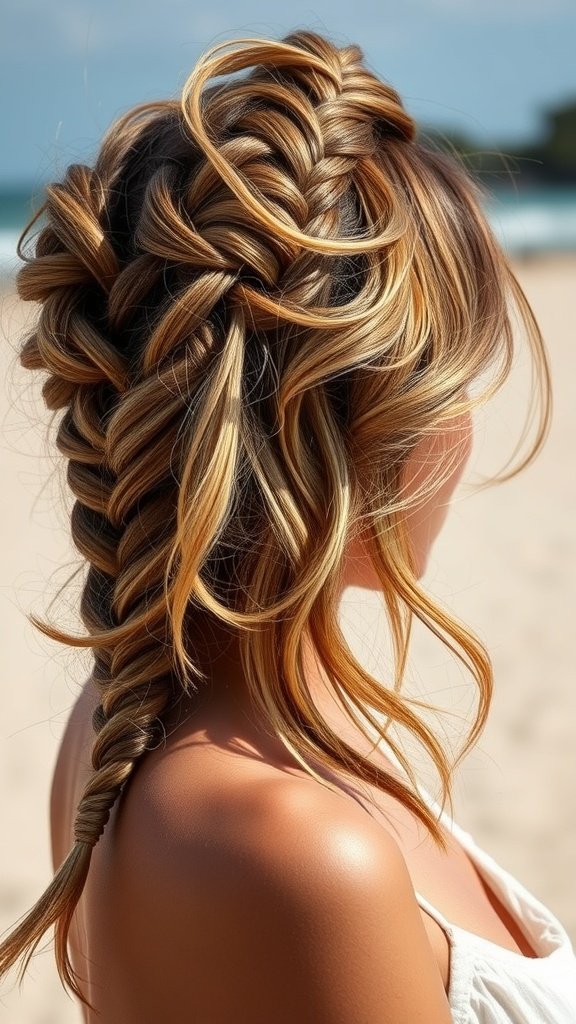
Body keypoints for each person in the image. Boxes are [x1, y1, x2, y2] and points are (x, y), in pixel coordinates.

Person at [1, 27, 574, 1024]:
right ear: (359, 428)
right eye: (457, 381)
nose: (468, 427)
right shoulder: (296, 851)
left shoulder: (128, 715)